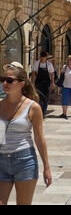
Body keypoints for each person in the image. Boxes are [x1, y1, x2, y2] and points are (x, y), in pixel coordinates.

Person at [0, 65, 52, 205]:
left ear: (22, 83)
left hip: (24, 161)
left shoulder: (33, 107)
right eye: (3, 79)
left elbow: (39, 138)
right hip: (2, 161)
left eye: (9, 80)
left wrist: (46, 167)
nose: (5, 83)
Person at [31, 52, 55, 117]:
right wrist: (32, 83)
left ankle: (43, 112)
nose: (42, 59)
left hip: (46, 83)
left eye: (43, 58)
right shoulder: (36, 63)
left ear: (46, 58)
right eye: (41, 58)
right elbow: (33, 73)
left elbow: (52, 74)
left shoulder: (49, 64)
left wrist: (53, 83)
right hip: (38, 83)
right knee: (39, 97)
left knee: (46, 98)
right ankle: (39, 111)